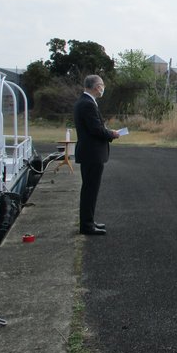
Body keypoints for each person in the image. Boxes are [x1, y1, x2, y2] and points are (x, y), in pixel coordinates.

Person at [73, 75, 120, 235]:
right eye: (101, 85)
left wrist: (107, 132)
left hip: (90, 152)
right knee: (90, 190)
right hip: (92, 153)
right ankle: (86, 225)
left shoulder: (85, 102)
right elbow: (96, 129)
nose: (102, 88)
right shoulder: (87, 104)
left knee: (90, 189)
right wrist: (111, 134)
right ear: (95, 86)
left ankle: (89, 221)